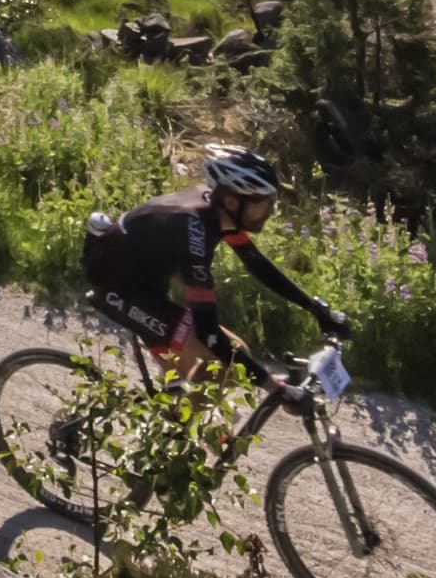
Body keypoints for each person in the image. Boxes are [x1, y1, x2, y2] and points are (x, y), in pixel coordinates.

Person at [80, 148, 349, 399]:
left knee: (191, 382)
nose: (272, 210)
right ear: (233, 201)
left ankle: (175, 419)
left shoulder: (216, 212)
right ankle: (177, 421)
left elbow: (256, 263)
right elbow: (208, 333)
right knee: (233, 361)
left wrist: (315, 308)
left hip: (146, 285)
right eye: (266, 203)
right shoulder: (193, 234)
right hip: (118, 289)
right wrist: (274, 388)